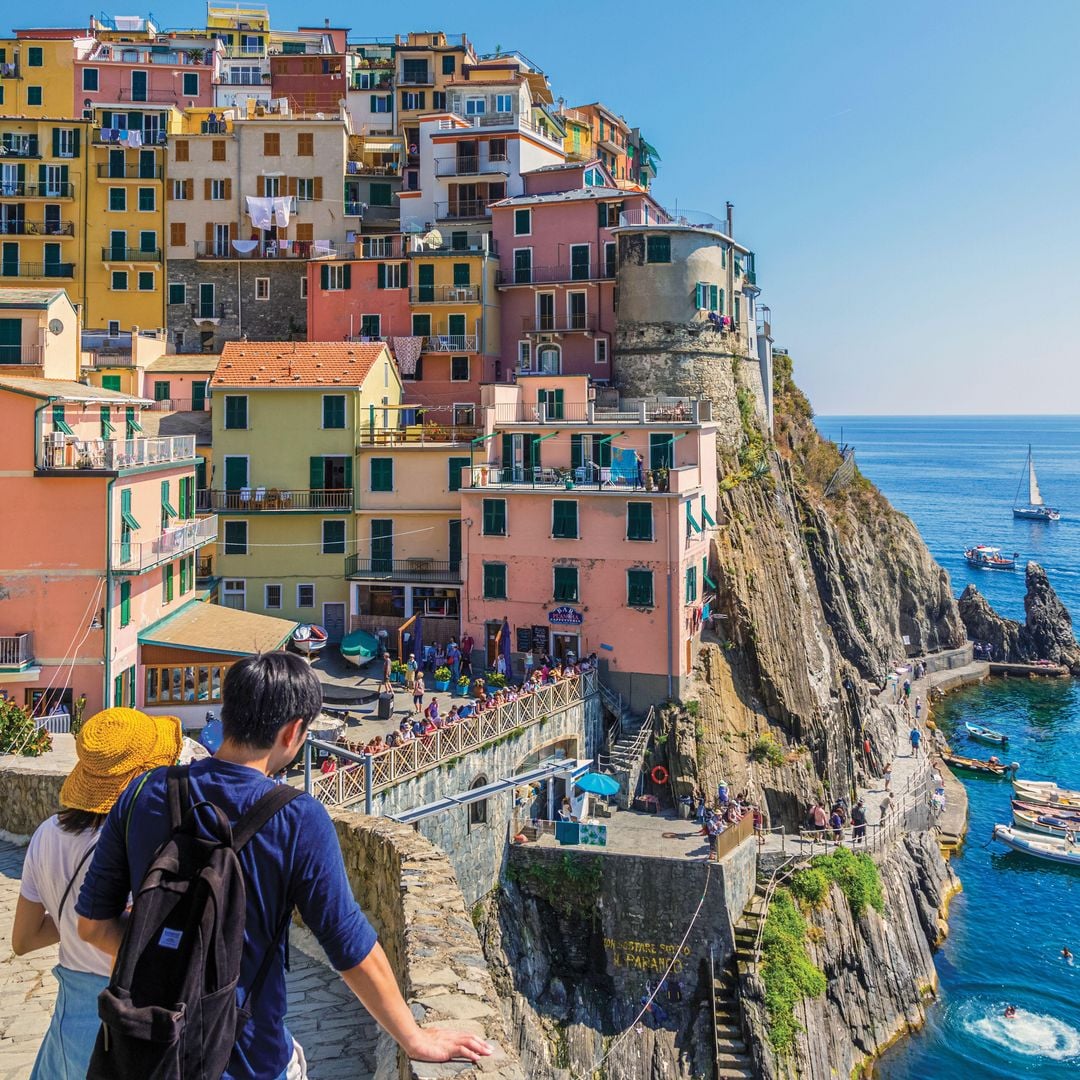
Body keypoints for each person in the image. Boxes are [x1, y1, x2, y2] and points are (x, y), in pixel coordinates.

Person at [75, 653, 491, 1079]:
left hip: (147, 1049)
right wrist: (414, 1038)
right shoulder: (297, 818)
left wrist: (175, 957)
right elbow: (349, 945)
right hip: (249, 1058)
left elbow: (92, 925)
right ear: (293, 732)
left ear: (227, 712)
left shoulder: (141, 792)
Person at [12, 707, 186, 1080]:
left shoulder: (47, 834)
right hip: (127, 1019)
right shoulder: (143, 841)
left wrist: (78, 917)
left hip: (68, 1023)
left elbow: (24, 939)